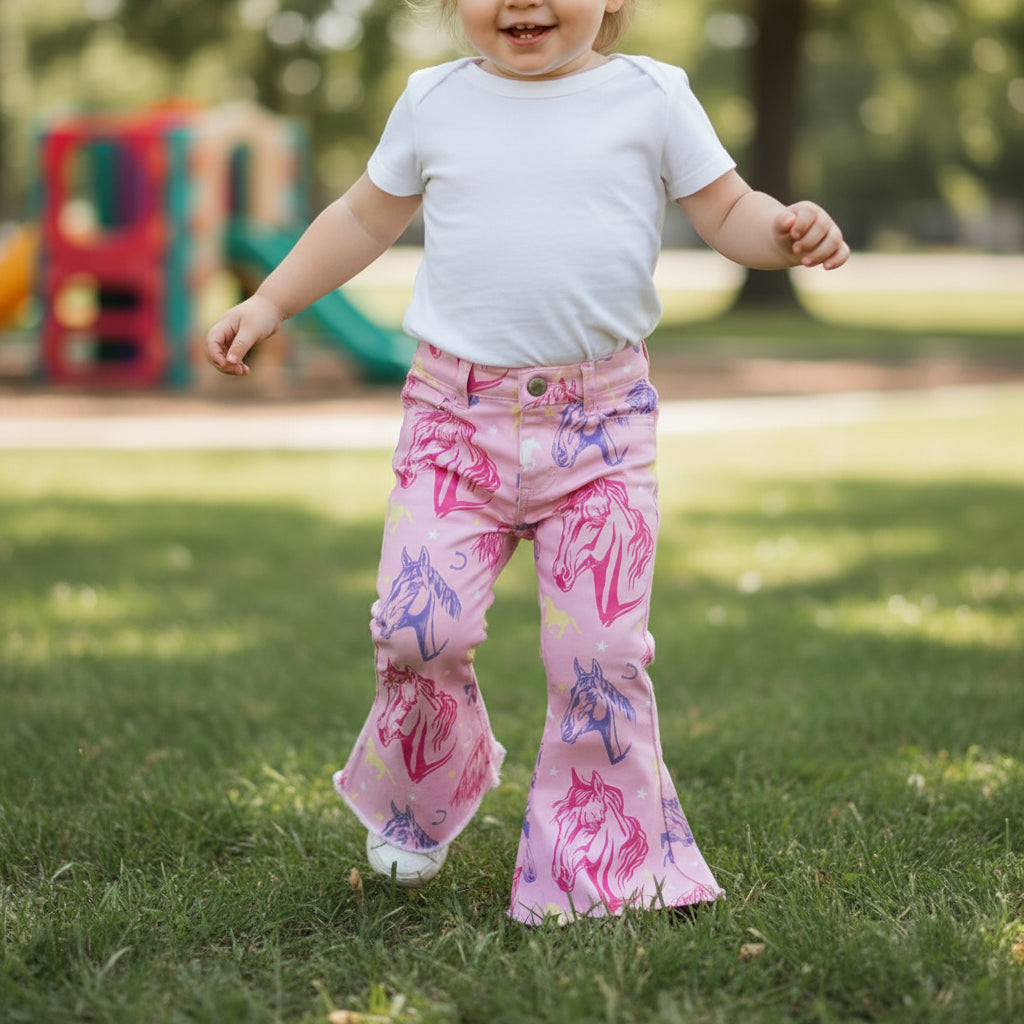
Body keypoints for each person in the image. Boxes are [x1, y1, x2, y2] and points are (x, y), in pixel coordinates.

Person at [206, 0, 849, 925]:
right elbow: (360, 218)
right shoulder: (434, 100)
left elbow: (729, 212)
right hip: (452, 424)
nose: (523, 2)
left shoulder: (653, 96)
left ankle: (603, 858)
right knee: (418, 630)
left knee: (601, 654)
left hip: (601, 432)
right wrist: (269, 304)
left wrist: (784, 231)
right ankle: (420, 797)